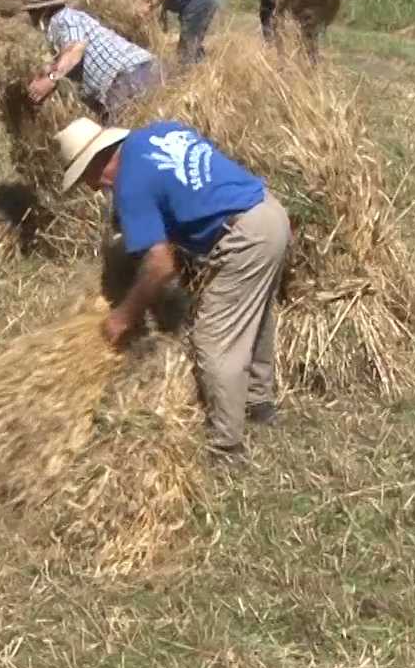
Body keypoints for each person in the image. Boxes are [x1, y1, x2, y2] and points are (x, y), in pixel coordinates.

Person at [56, 117, 291, 457]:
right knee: (254, 313)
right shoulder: (156, 134)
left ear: (98, 160)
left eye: (86, 178)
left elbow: (161, 265)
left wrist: (124, 315)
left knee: (214, 340)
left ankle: (227, 444)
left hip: (245, 234)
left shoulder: (129, 185)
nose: (93, 188)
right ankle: (259, 403)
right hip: (268, 210)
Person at [22, 0, 163, 121]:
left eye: (31, 12)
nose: (30, 17)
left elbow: (75, 49)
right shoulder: (70, 19)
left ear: (41, 10)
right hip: (141, 69)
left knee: (123, 130)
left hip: (129, 76)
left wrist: (51, 79)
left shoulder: (62, 19)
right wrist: (47, 72)